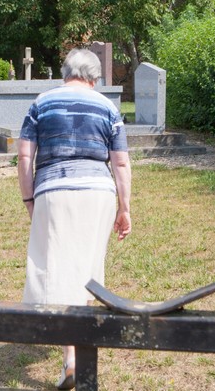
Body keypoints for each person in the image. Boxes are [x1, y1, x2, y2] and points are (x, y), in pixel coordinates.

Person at [18, 49, 132, 390]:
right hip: (98, 193)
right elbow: (121, 162)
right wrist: (124, 206)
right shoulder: (107, 106)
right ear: (95, 78)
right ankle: (80, 353)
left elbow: (25, 155)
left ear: (64, 73)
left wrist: (29, 198)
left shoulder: (42, 102)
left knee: (56, 268)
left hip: (54, 189)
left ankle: (71, 357)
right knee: (86, 269)